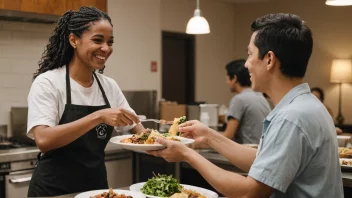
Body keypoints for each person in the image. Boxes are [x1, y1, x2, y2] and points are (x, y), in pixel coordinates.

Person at [148, 13, 343, 197]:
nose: (247, 64)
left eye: (250, 54)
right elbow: (263, 163)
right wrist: (209, 136)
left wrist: (187, 155)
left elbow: (249, 192)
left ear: (269, 60)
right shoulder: (305, 105)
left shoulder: (292, 117)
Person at [26, 7, 143, 197]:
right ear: (74, 40)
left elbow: (135, 128)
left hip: (96, 188)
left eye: (110, 42)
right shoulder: (48, 82)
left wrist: (163, 141)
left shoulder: (109, 86)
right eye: (98, 40)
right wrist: (98, 116)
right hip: (53, 190)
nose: (106, 48)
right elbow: (44, 140)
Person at [224, 59, 270, 143]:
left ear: (234, 78)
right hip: (261, 149)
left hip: (246, 150)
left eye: (227, 78)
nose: (226, 82)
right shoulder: (260, 96)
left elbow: (228, 136)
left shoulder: (239, 99)